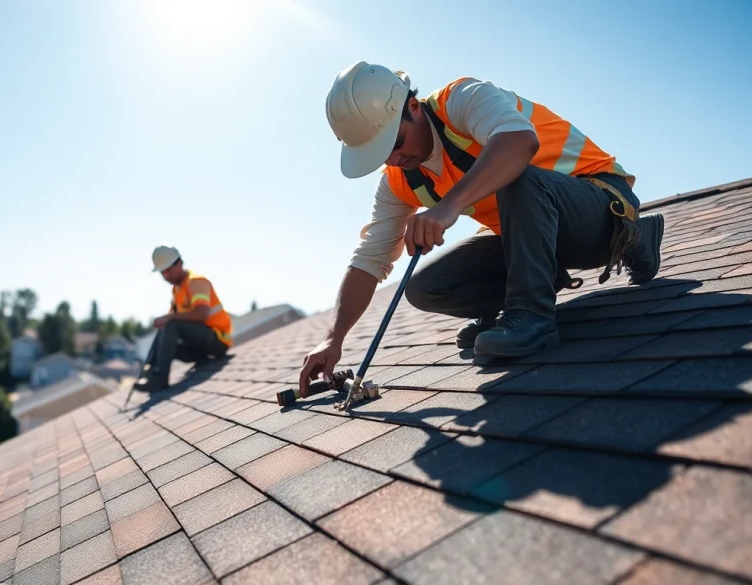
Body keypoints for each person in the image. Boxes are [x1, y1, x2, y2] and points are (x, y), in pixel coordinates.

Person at [299, 62, 664, 395]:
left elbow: (519, 142)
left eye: (394, 143)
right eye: (381, 154)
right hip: (535, 240)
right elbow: (369, 258)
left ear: (413, 108)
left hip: (601, 210)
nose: (394, 159)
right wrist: (333, 338)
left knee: (519, 178)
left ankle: (540, 309)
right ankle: (533, 285)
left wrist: (448, 207)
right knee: (425, 288)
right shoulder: (397, 180)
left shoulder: (461, 99)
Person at [144, 245, 232, 390]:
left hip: (218, 341)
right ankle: (149, 374)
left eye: (168, 270)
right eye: (162, 272)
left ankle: (160, 378)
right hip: (200, 348)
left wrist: (168, 318)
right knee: (164, 334)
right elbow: (168, 328)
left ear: (179, 263)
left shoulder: (195, 282)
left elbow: (202, 314)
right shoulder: (177, 290)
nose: (165, 276)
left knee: (171, 324)